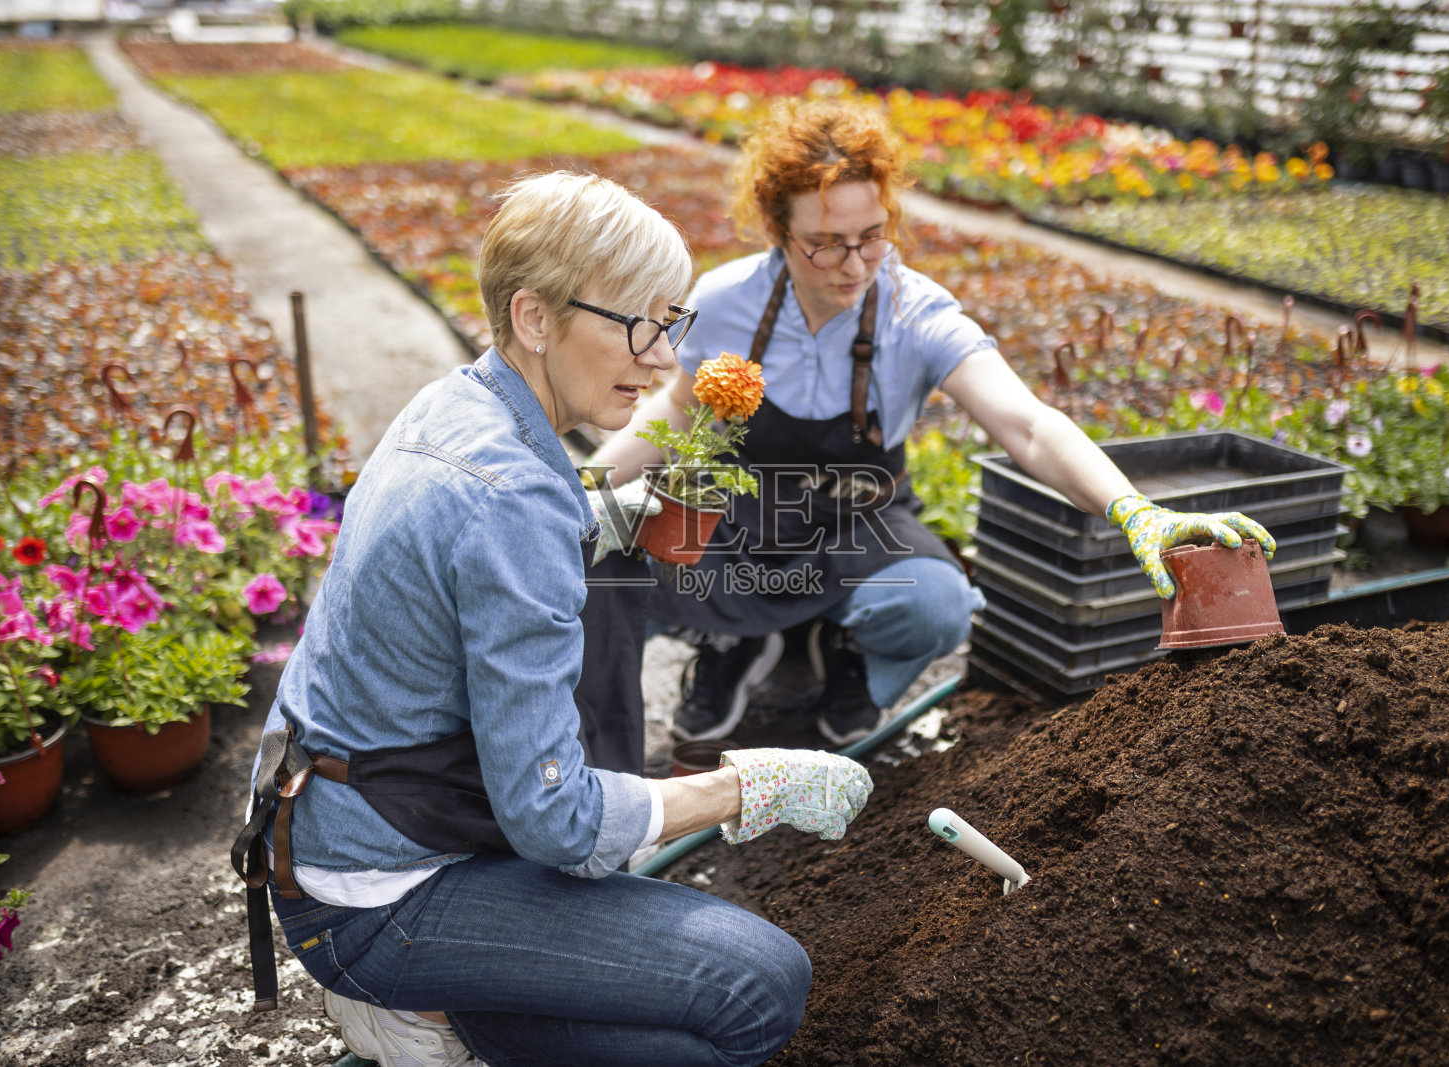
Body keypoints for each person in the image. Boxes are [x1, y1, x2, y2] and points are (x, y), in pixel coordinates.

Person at [230, 172, 874, 1067]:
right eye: (641, 324)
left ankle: (470, 1010)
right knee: (759, 986)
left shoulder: (460, 403)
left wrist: (610, 511)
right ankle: (403, 1001)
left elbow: (491, 545)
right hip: (376, 893)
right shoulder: (512, 498)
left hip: (343, 818)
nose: (662, 360)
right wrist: (750, 787)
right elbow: (555, 821)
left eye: (672, 322)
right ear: (534, 317)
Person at [589, 99, 1277, 746]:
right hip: (742, 517)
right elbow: (674, 409)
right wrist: (579, 486)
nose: (854, 265)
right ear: (779, 230)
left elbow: (1028, 424)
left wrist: (1133, 510)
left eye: (871, 238)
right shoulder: (727, 299)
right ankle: (733, 644)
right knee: (610, 549)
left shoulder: (915, 314)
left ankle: (846, 652)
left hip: (854, 522)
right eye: (825, 244)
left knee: (937, 605)